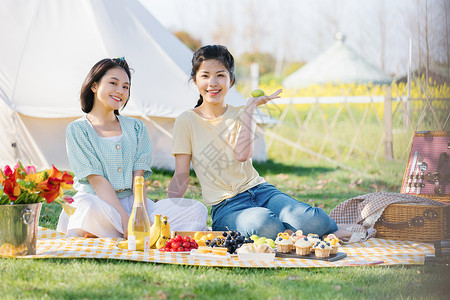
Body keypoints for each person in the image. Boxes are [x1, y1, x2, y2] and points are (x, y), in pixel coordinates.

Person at [167, 45, 342, 240]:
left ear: (231, 80)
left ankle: (291, 232)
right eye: (205, 75)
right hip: (227, 206)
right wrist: (165, 212)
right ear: (195, 80)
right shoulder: (186, 121)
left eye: (220, 75)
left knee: (312, 220)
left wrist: (250, 109)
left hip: (262, 192)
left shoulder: (242, 113)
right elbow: (181, 176)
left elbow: (242, 154)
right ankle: (291, 233)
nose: (213, 83)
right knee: (264, 223)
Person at [57, 57, 208, 238]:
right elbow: (97, 180)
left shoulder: (136, 128)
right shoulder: (78, 129)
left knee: (196, 209)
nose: (120, 91)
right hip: (98, 201)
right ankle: (123, 230)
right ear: (94, 86)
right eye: (113, 83)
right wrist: (124, 219)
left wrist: (140, 216)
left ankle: (110, 233)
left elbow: (139, 178)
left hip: (135, 203)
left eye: (125, 87)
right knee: (88, 209)